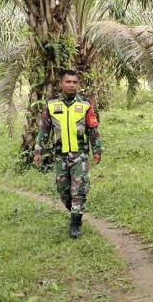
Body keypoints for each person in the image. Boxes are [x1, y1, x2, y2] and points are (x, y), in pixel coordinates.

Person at [34, 70, 102, 238]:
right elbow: (44, 130)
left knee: (79, 189)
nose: (72, 85)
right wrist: (38, 151)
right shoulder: (51, 105)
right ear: (60, 84)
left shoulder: (85, 105)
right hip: (60, 155)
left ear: (78, 85)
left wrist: (97, 149)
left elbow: (93, 129)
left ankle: (75, 224)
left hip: (80, 155)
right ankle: (74, 209)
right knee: (64, 190)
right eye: (68, 82)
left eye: (74, 82)